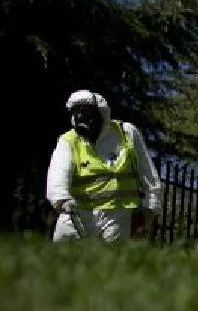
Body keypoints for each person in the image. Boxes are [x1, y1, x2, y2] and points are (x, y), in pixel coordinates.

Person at [45, 89, 161, 242]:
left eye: (86, 111)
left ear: (101, 113)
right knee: (62, 260)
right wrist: (61, 200)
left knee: (111, 263)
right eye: (76, 112)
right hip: (76, 214)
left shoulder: (126, 133)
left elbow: (149, 175)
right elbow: (57, 176)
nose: (81, 117)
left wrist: (150, 207)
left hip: (118, 216)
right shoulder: (69, 141)